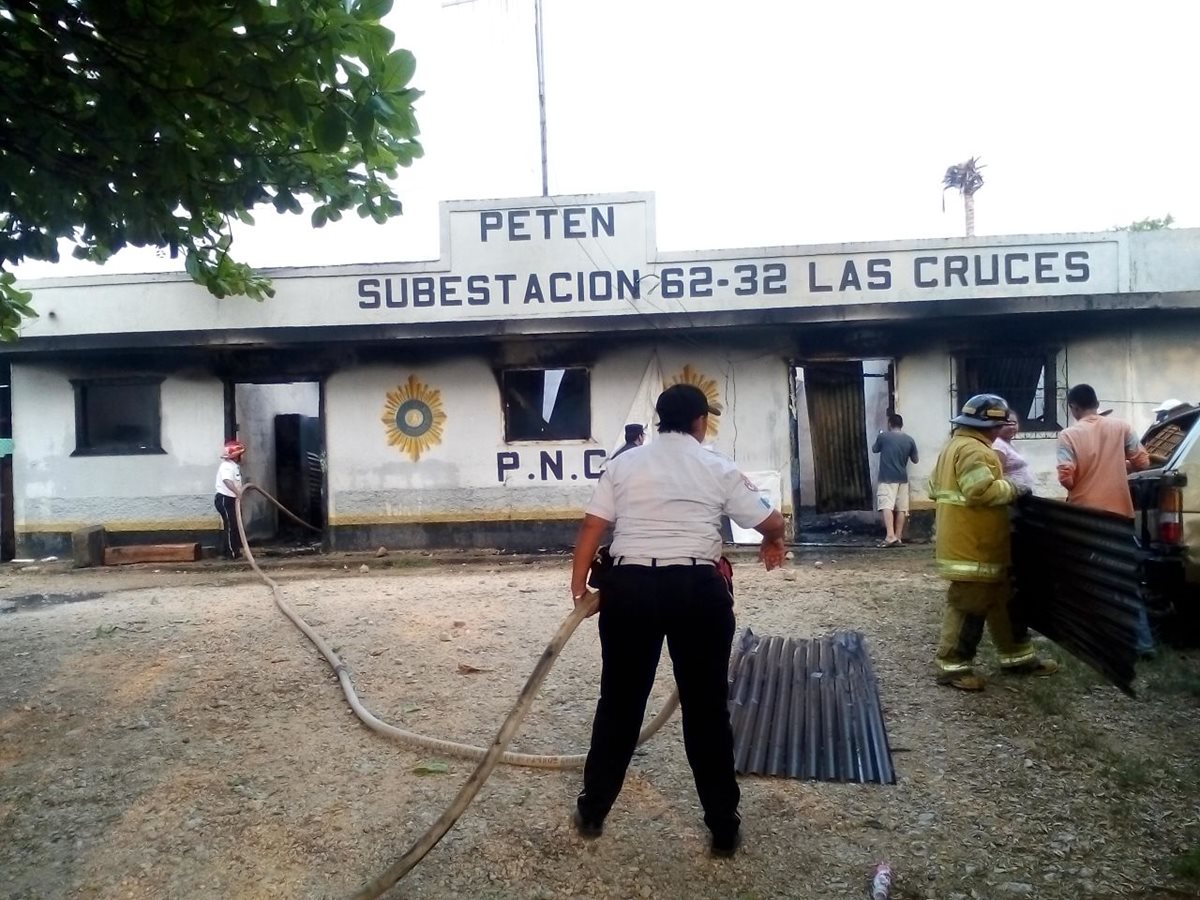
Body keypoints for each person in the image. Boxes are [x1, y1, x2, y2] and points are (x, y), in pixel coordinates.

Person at [568, 383, 787, 858]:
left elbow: (593, 525)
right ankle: (723, 827)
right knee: (706, 709)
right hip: (696, 591)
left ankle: (593, 811)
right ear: (700, 422)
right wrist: (775, 540)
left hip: (629, 590)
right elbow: (769, 521)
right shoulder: (716, 466)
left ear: (659, 420)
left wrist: (579, 584)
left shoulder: (625, 464)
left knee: (620, 703)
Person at [930, 394, 1058, 691]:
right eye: (999, 426)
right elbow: (980, 491)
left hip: (978, 543)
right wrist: (1014, 487)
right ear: (990, 426)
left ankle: (1017, 658)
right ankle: (953, 667)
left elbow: (933, 487)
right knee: (969, 604)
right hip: (973, 546)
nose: (1001, 431)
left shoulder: (953, 446)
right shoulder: (975, 450)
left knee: (1003, 599)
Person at [1056, 384, 1150, 517]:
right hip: (1120, 512)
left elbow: (1065, 478)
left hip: (1083, 512)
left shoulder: (1067, 436)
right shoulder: (1123, 427)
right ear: (1097, 404)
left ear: (1073, 407)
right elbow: (1143, 463)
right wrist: (1123, 466)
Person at [872, 413, 918, 547]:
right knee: (902, 508)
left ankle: (890, 536)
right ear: (901, 425)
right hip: (902, 478)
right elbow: (915, 460)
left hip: (887, 477)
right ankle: (898, 537)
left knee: (886, 505)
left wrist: (880, 435)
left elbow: (875, 449)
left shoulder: (883, 437)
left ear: (890, 424)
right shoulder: (910, 440)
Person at [214, 439, 246, 560]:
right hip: (225, 499)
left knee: (234, 525)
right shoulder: (227, 466)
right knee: (231, 525)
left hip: (231, 499)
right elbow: (227, 481)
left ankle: (230, 551)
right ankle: (231, 553)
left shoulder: (234, 466)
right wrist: (238, 493)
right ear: (236, 455)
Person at [993, 416, 1036, 493]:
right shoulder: (998, 445)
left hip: (1020, 492)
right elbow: (997, 475)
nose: (1011, 427)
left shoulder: (1008, 443)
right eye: (1007, 424)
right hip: (1011, 494)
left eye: (1014, 423)